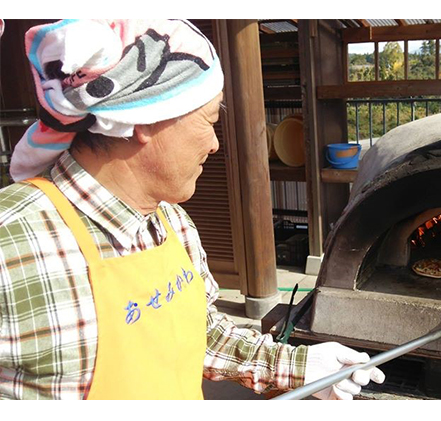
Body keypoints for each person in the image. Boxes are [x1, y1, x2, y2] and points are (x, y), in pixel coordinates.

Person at [0, 19, 384, 400]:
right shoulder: (12, 244)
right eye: (209, 121)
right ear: (145, 120)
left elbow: (202, 333)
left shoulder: (171, 221)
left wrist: (302, 369)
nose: (215, 144)